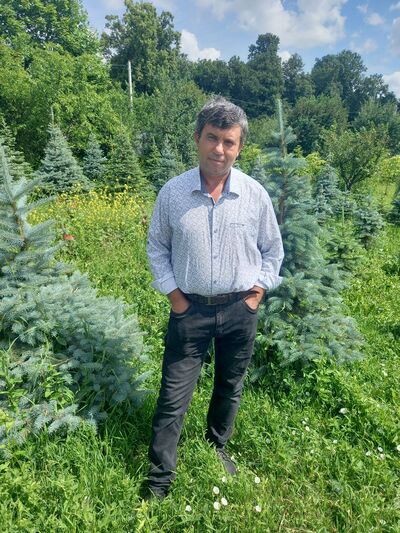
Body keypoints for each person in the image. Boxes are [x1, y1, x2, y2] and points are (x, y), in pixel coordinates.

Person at [145, 96, 284, 500]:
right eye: (212, 138)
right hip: (190, 311)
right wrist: (176, 298)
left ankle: (217, 445)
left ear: (239, 147)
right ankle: (159, 479)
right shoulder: (173, 193)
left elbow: (273, 250)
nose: (219, 149)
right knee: (173, 395)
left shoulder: (254, 195)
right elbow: (157, 248)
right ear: (197, 138)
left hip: (240, 310)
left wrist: (256, 294)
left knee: (229, 384)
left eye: (228, 141)